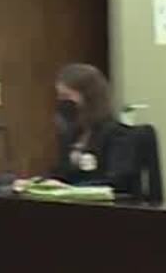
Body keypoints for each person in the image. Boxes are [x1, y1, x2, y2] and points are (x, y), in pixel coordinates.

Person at [50, 63, 141, 195]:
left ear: (89, 97)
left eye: (66, 96)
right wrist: (40, 183)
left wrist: (71, 189)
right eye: (60, 96)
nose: (62, 102)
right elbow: (63, 174)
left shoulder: (118, 135)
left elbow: (117, 181)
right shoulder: (72, 135)